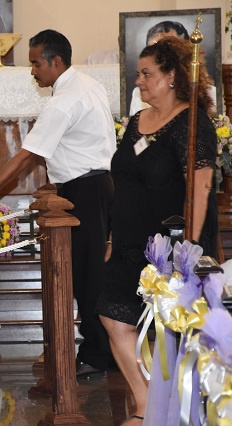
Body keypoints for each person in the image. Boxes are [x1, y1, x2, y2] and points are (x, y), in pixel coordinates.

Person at [0, 29, 116, 378]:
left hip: (85, 193)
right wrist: (56, 181)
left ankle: (97, 354)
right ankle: (100, 349)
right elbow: (82, 145)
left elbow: (26, 156)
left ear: (56, 61)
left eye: (36, 63)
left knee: (88, 277)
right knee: (89, 273)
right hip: (96, 186)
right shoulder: (88, 85)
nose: (33, 71)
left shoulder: (62, 102)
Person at [97, 36, 218, 425]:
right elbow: (125, 181)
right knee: (112, 316)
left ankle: (183, 409)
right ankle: (144, 402)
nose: (139, 81)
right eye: (138, 74)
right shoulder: (136, 122)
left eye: (147, 74)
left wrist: (192, 250)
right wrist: (113, 238)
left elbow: (200, 187)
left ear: (171, 76)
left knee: (172, 328)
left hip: (169, 244)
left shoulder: (192, 123)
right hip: (129, 241)